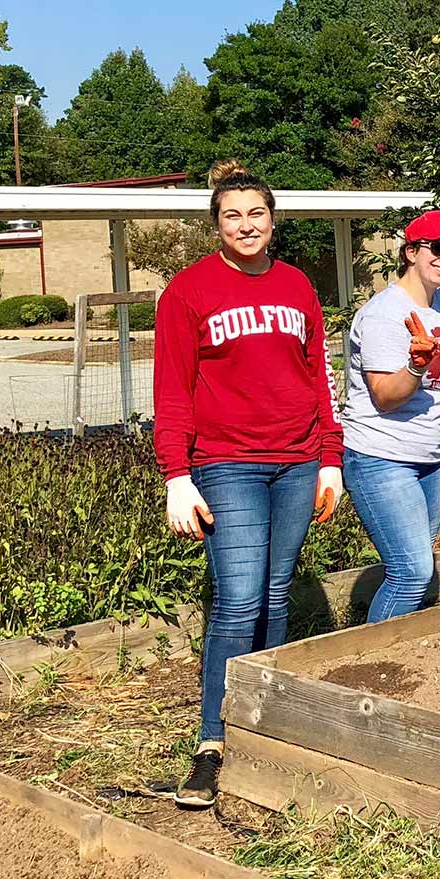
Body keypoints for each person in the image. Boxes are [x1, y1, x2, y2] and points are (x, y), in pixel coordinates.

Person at [153, 158, 344, 809]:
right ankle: (211, 743)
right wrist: (177, 475)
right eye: (232, 215)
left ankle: (267, 724)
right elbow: (173, 391)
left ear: (272, 219)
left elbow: (319, 379)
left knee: (274, 592)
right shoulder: (189, 292)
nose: (246, 224)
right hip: (226, 462)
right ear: (217, 225)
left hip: (296, 462)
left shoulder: (297, 286)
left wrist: (330, 459)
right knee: (236, 598)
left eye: (256, 213)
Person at [341, 210, 440, 621]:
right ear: (410, 252)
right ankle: (372, 661)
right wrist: (417, 365)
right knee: (412, 572)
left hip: (432, 456)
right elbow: (385, 396)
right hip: (383, 456)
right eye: (437, 249)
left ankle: (398, 653)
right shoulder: (385, 313)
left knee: (416, 563)